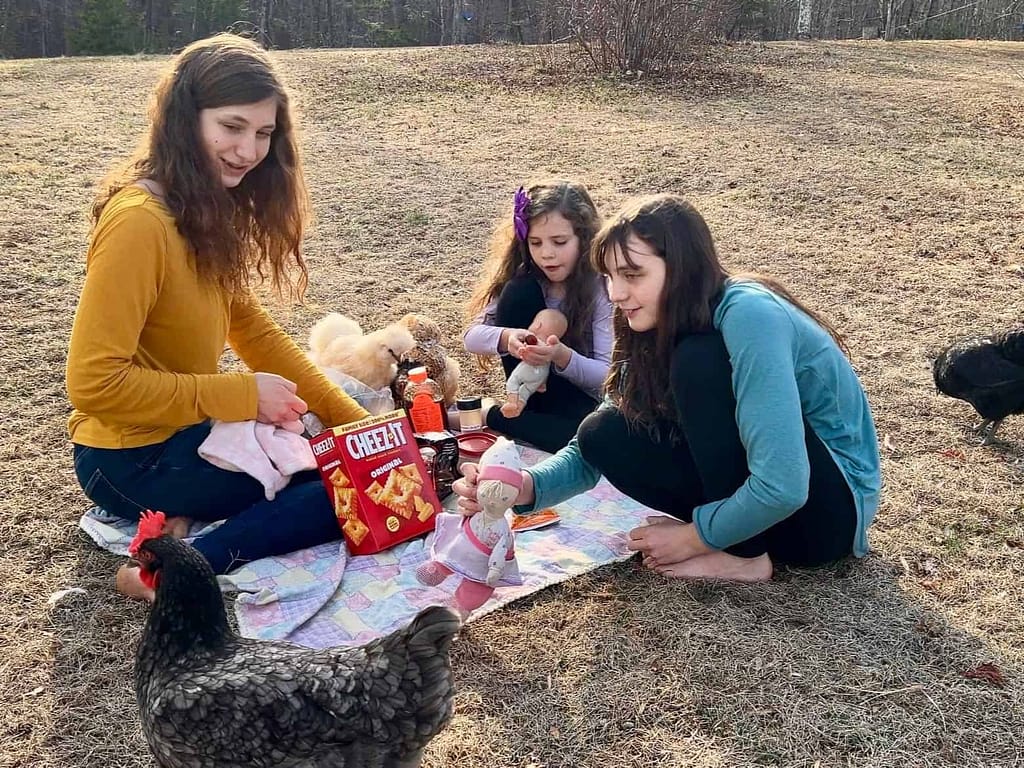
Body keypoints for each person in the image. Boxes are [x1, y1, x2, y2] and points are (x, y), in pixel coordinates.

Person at [65, 34, 369, 600]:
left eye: (263, 133)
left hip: (187, 435)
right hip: (126, 458)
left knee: (339, 455)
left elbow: (252, 330)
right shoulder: (139, 223)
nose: (249, 150)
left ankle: (179, 524)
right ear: (185, 118)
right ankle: (173, 570)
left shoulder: (205, 206)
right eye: (231, 127)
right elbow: (93, 384)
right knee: (340, 491)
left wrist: (361, 427)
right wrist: (243, 395)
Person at [454, 194, 881, 583]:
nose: (617, 293)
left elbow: (785, 485)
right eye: (609, 277)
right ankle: (734, 538)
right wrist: (522, 487)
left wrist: (695, 537)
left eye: (632, 274)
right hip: (776, 513)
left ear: (681, 268)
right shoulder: (645, 317)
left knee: (698, 361)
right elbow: (598, 440)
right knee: (603, 430)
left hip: (826, 519)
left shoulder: (749, 314)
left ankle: (745, 554)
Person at [464, 181, 613, 453]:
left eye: (560, 242)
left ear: (585, 238)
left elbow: (606, 376)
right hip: (529, 389)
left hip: (583, 402)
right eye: (535, 242)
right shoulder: (526, 276)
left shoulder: (600, 288)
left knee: (597, 439)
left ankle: (491, 415)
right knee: (518, 291)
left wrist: (560, 356)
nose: (547, 253)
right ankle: (522, 412)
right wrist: (509, 337)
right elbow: (471, 337)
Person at [500, 308, 568, 418]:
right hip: (541, 376)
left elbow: (528, 348)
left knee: (513, 381)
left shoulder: (533, 339)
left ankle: (512, 402)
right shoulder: (551, 347)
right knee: (525, 391)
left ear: (537, 325)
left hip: (529, 368)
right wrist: (543, 382)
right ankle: (519, 407)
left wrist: (522, 349)